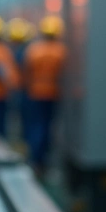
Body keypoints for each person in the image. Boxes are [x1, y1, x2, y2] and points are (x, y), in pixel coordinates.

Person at [23, 15, 67, 178]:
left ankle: (35, 160)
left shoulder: (33, 50)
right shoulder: (60, 51)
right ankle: (42, 162)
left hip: (35, 92)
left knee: (36, 126)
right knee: (47, 127)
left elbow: (26, 72)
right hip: (53, 94)